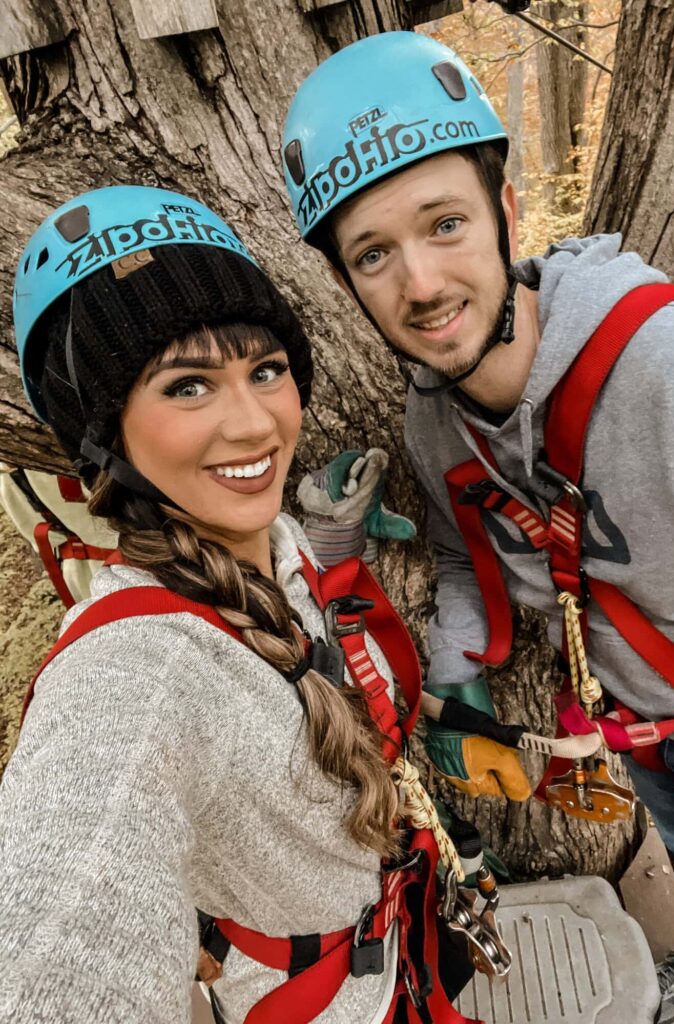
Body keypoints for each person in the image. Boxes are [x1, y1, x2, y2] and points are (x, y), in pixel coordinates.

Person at [282, 31, 674, 1024]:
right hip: (651, 736)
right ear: (346, 283)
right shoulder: (437, 418)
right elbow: (471, 556)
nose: (419, 284)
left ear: (505, 212)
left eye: (445, 223)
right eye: (374, 253)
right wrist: (459, 694)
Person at [0, 185, 476, 1023]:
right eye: (187, 387)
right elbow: (58, 937)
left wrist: (329, 550)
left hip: (389, 966)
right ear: (106, 435)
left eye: (266, 370)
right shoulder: (134, 675)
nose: (255, 425)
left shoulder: (273, 551)